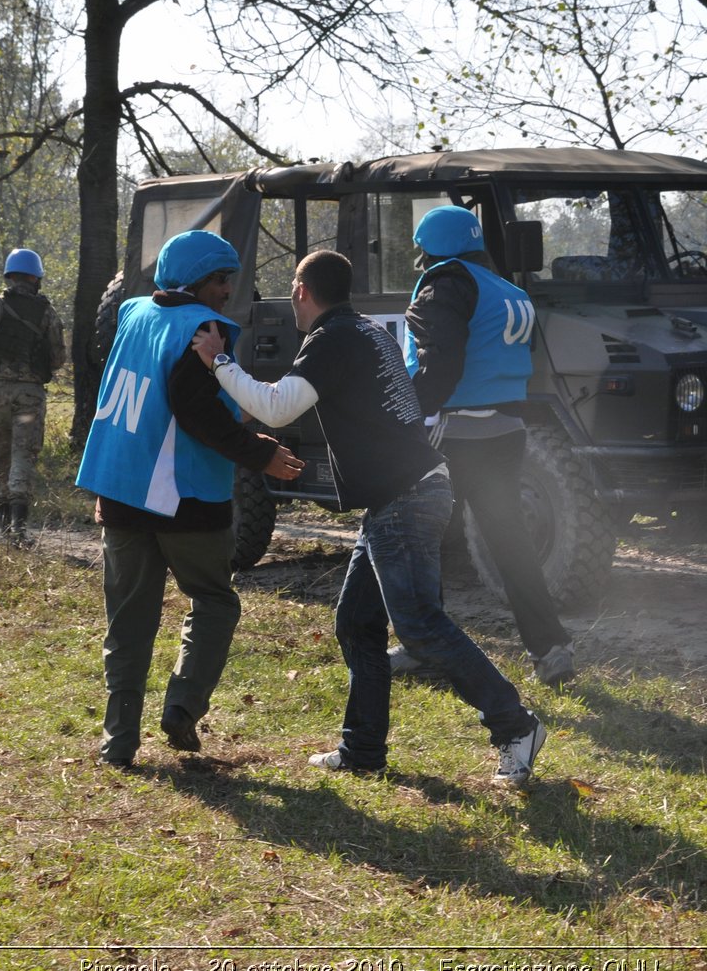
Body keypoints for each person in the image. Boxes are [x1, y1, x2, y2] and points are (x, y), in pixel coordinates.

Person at [190, 249, 547, 786]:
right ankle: (362, 749)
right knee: (357, 623)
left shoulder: (332, 338)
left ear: (302, 291)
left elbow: (277, 407)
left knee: (420, 626)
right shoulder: (367, 332)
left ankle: (514, 725)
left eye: (292, 287)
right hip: (403, 493)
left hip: (405, 496)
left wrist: (219, 361)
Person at [76, 230, 305, 769]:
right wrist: (260, 455)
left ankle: (119, 741)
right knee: (215, 600)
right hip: (183, 500)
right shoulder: (200, 329)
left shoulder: (132, 312)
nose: (228, 290)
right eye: (221, 279)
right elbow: (196, 413)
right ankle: (182, 705)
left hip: (119, 492)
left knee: (128, 618)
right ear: (198, 281)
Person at [389, 205, 578, 687]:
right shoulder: (509, 290)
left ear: (435, 247)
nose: (421, 261)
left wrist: (422, 410)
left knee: (418, 539)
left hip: (452, 429)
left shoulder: (445, 283)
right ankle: (551, 648)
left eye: (423, 252)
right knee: (510, 542)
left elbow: (441, 358)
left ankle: (420, 644)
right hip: (506, 428)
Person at [0, 248, 67, 541]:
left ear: (9, 275)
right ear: (37, 278)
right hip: (30, 395)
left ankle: (3, 521)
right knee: (23, 453)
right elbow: (58, 358)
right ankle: (19, 527)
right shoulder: (47, 313)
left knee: (0, 454)